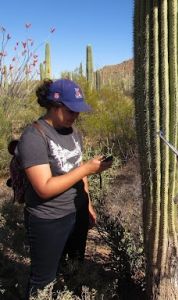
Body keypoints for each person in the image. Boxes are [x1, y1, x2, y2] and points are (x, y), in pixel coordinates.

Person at [18, 79, 113, 297]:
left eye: (78, 111)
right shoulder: (33, 137)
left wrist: (87, 203)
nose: (75, 116)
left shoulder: (73, 132)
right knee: (43, 280)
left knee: (75, 270)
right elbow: (44, 187)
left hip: (76, 213)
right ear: (53, 105)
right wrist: (88, 169)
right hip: (49, 219)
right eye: (70, 110)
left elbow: (78, 170)